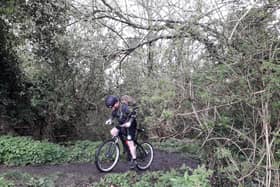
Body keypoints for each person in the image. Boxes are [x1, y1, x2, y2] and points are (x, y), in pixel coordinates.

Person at [105, 95, 138, 169]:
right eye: (111, 107)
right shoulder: (115, 108)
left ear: (117, 103)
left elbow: (133, 114)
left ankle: (134, 160)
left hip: (130, 125)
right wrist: (110, 120)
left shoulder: (124, 107)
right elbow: (113, 115)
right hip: (122, 124)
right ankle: (125, 148)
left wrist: (129, 122)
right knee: (113, 132)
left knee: (130, 142)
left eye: (113, 106)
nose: (112, 108)